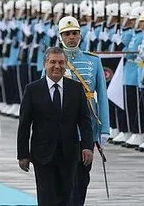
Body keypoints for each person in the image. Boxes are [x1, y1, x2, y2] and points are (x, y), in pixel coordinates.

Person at [17, 46, 94, 205]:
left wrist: (87, 147)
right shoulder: (32, 89)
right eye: (52, 62)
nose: (57, 66)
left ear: (65, 64)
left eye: (61, 62)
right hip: (42, 153)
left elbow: (85, 121)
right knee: (46, 197)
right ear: (45, 64)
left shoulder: (76, 88)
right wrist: (23, 154)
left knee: (67, 196)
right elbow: (24, 124)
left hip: (69, 153)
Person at [56, 16, 110, 205]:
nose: (72, 37)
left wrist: (104, 129)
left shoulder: (92, 60)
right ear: (61, 36)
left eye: (75, 33)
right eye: (67, 34)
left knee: (82, 175)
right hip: (63, 125)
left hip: (87, 123)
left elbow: (102, 96)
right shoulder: (54, 59)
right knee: (64, 175)